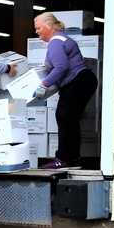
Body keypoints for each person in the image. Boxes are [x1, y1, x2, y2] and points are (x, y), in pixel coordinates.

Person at [33, 12, 98, 169]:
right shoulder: (62, 38)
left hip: (77, 81)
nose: (36, 32)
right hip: (83, 80)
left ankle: (62, 159)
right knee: (69, 119)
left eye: (38, 28)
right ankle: (72, 159)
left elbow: (62, 67)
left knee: (64, 116)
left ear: (49, 25)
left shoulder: (55, 42)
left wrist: (44, 84)